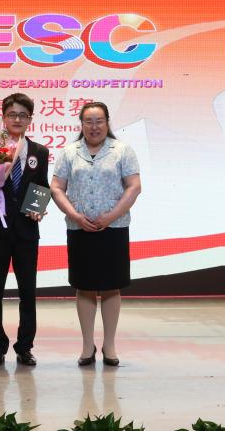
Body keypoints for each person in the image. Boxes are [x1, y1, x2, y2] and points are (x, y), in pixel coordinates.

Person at [50, 102, 141, 367]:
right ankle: (87, 345)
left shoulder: (122, 150)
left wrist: (111, 216)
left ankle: (109, 345)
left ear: (107, 122)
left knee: (112, 285)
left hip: (114, 227)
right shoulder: (69, 152)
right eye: (88, 121)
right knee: (85, 286)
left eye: (99, 121)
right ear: (81, 124)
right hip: (80, 228)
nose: (94, 127)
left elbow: (134, 187)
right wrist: (75, 215)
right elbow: (56, 188)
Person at [0, 93, 49, 367]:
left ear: (30, 119)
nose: (17, 119)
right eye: (12, 114)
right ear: (3, 117)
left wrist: (38, 207)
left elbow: (41, 185)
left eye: (22, 115)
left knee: (27, 291)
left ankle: (25, 346)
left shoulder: (39, 152)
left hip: (27, 230)